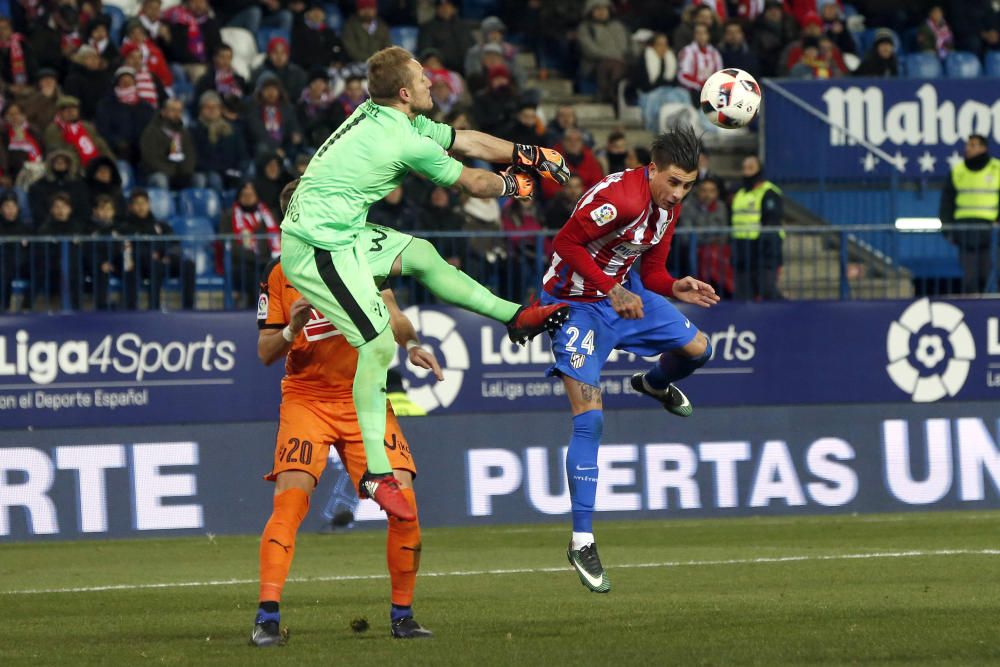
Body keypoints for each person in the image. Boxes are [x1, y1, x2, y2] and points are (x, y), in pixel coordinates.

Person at [279, 46, 572, 526]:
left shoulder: (383, 114)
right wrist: (517, 187)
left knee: (421, 255)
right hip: (316, 245)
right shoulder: (403, 140)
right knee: (376, 344)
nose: (431, 83)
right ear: (403, 93)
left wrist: (532, 154)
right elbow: (476, 183)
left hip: (343, 231)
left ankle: (513, 317)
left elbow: (468, 140)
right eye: (422, 78)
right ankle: (375, 474)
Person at [250, 179, 445, 646]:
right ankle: (267, 618)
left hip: (366, 400)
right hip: (308, 400)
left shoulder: (362, 253)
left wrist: (413, 343)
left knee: (406, 505)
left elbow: (394, 313)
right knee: (291, 501)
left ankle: (403, 616)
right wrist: (293, 328)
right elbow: (264, 352)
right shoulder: (281, 275)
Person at [538, 126, 719, 593]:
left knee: (699, 348)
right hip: (575, 308)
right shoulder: (623, 199)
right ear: (653, 168)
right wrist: (611, 288)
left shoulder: (666, 209)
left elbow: (654, 271)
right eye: (673, 182)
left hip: (624, 298)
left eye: (688, 185)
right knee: (590, 421)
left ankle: (655, 383)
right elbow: (564, 245)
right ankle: (582, 541)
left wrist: (676, 286)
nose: (679, 193)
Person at [940, 134, 1000, 294]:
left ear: (983, 148)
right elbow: (947, 202)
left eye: (973, 145)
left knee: (989, 274)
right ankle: (974, 311)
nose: (968, 148)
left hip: (992, 232)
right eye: (968, 145)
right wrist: (947, 230)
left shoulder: (997, 168)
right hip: (965, 231)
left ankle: (991, 309)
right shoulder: (957, 171)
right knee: (970, 278)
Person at [730, 155, 784, 301]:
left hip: (764, 251)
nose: (747, 172)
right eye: (744, 168)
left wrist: (766, 249)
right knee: (743, 295)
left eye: (751, 168)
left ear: (760, 170)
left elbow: (771, 223)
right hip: (742, 251)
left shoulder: (770, 192)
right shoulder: (740, 194)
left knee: (767, 291)